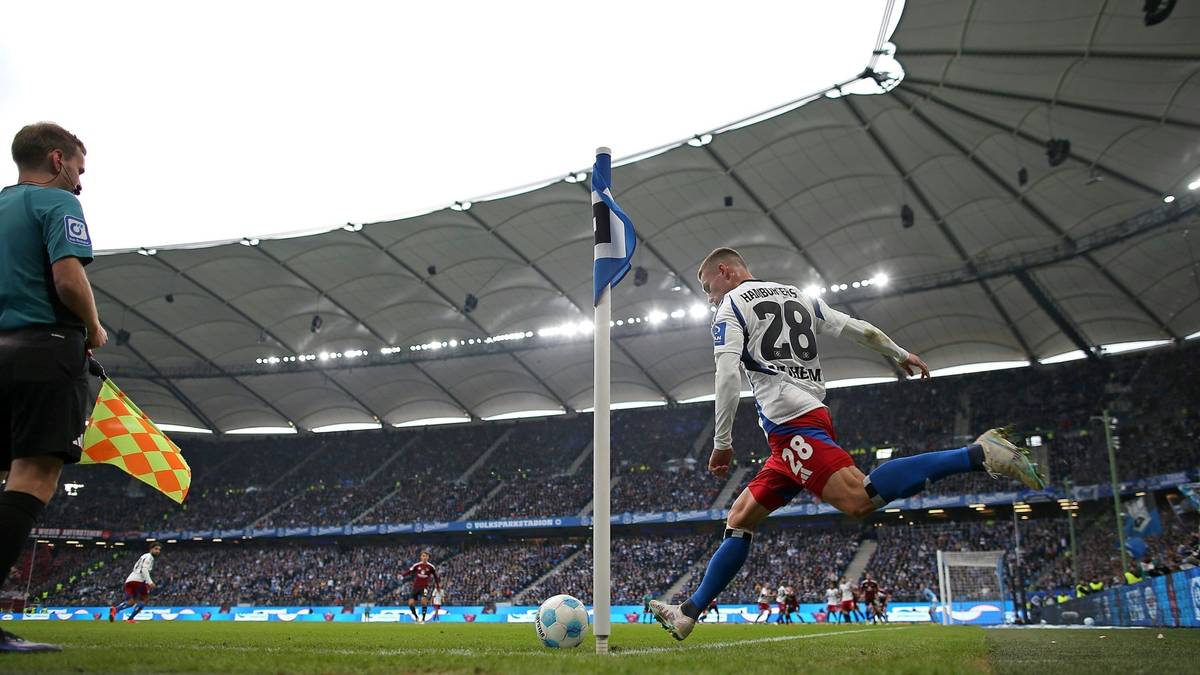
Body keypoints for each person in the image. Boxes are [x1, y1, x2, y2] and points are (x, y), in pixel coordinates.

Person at [650, 249, 1044, 640]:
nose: (709, 297)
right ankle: (689, 612)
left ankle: (977, 453)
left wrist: (722, 441)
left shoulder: (731, 307)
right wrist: (900, 353)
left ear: (726, 271)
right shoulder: (797, 295)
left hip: (791, 424)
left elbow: (726, 375)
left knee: (859, 497)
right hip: (803, 421)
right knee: (739, 517)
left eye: (708, 287)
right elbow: (860, 329)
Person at [1, 122, 104, 653]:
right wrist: (94, 327)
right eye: (80, 170)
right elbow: (67, 279)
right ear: (57, 159)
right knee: (34, 474)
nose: (81, 183)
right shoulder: (58, 205)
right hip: (44, 347)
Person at [110, 543, 161, 622]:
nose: (158, 551)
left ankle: (115, 610)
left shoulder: (143, 556)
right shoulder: (149, 557)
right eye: (156, 549)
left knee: (131, 601)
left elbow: (137, 567)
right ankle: (130, 619)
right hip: (138, 580)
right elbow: (144, 569)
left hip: (130, 580)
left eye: (159, 550)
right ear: (151, 549)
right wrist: (150, 582)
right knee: (143, 600)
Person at [399, 550, 440, 622]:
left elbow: (436, 577)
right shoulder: (416, 565)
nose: (425, 557)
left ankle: (423, 619)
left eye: (426, 556)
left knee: (423, 602)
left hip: (424, 587)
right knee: (410, 603)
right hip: (415, 587)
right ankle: (416, 617)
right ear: (421, 557)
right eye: (423, 556)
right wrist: (402, 575)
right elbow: (409, 571)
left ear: (428, 557)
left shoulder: (431, 567)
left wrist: (438, 586)